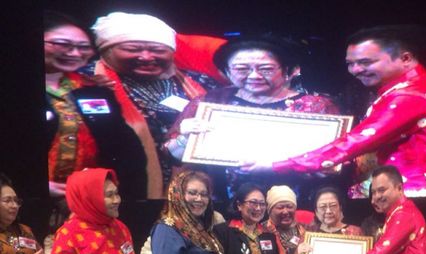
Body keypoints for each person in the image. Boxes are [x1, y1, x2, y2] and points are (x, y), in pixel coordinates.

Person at [270, 25, 426, 199]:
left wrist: (278, 164)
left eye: (366, 62)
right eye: (351, 64)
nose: (355, 70)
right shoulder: (414, 86)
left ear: (406, 58)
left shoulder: (414, 94)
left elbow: (358, 141)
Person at [168, 36, 340, 200]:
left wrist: (326, 166)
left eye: (266, 69)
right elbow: (173, 156)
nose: (254, 76)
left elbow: (335, 163)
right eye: (241, 69)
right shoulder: (210, 102)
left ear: (287, 70)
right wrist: (184, 139)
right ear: (226, 70)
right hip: (222, 202)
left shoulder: (317, 107)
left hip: (294, 203)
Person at [89, 12, 218, 198]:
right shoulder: (89, 83)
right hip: (125, 187)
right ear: (106, 51)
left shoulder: (201, 82)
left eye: (158, 50)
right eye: (133, 49)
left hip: (194, 187)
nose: (147, 57)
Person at [44, 10, 147, 200]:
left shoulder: (94, 88)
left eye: (83, 47)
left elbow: (122, 145)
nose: (75, 53)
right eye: (62, 44)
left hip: (90, 197)